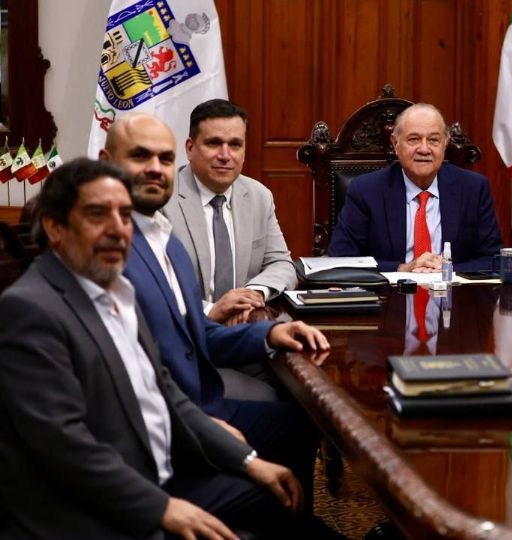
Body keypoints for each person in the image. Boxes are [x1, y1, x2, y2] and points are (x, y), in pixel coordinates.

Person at [0, 159, 326, 539]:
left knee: (276, 493)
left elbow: (165, 393)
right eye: (96, 215)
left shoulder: (116, 292)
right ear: (55, 228)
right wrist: (163, 508)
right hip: (88, 508)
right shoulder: (29, 309)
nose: (118, 230)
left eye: (124, 216)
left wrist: (247, 459)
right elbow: (64, 447)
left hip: (157, 471)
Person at [99, 113, 337, 525]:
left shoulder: (165, 244)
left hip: (195, 396)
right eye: (141, 156)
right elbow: (128, 377)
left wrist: (273, 331)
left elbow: (198, 333)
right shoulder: (110, 251)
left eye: (162, 157)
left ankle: (296, 526)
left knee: (302, 420)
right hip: (166, 422)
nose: (156, 168)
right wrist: (214, 435)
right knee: (273, 492)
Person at [163, 98, 297, 325]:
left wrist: (253, 294)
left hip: (243, 327)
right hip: (185, 330)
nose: (225, 155)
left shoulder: (258, 196)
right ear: (189, 148)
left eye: (235, 144)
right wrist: (210, 311)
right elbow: (154, 282)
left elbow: (281, 264)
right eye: (214, 143)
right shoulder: (162, 199)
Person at [328, 103, 503, 272]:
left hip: (455, 298)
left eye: (434, 140)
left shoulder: (473, 189)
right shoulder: (366, 191)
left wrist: (446, 270)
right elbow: (341, 259)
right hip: (389, 297)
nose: (424, 149)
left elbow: (494, 260)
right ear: (395, 144)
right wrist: (402, 268)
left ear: (445, 144)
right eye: (414, 139)